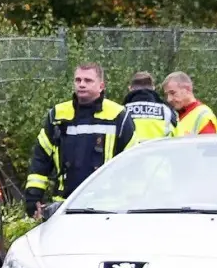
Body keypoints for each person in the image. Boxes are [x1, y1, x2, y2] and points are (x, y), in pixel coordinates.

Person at [24, 63, 137, 220]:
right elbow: (41, 157)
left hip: (107, 208)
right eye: (78, 80)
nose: (82, 84)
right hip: (65, 205)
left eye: (88, 80)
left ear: (101, 86)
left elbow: (132, 163)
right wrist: (33, 194)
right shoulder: (58, 114)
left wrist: (132, 202)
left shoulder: (118, 116)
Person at [122, 71, 177, 142]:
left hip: (131, 153)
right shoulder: (167, 113)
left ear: (130, 88)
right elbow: (179, 140)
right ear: (153, 88)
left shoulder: (122, 112)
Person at [163, 71, 217, 137]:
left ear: (187, 89)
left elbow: (208, 146)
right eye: (167, 95)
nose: (169, 99)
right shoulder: (174, 114)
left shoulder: (204, 116)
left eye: (172, 93)